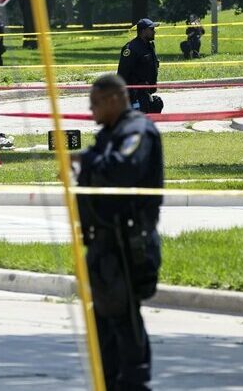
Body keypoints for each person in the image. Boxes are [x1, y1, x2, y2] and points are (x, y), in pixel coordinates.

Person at [73, 74, 163, 391]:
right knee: (104, 320)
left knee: (124, 318)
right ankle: (110, 381)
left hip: (128, 242)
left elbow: (123, 168)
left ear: (114, 99)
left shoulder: (136, 131)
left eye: (95, 103)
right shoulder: (110, 133)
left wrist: (86, 160)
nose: (91, 110)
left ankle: (134, 382)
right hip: (103, 242)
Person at [117, 18, 160, 113]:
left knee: (157, 104)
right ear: (143, 31)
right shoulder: (131, 48)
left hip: (146, 92)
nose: (154, 32)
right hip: (134, 94)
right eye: (152, 29)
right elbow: (122, 73)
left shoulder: (149, 46)